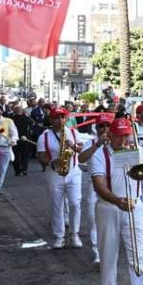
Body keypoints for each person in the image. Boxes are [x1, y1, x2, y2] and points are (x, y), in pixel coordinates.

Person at [87, 118, 143, 285]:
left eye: (126, 135)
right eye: (119, 136)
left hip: (134, 206)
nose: (123, 140)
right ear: (110, 135)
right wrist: (117, 200)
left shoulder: (135, 150)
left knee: (137, 253)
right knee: (108, 255)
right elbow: (99, 185)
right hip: (108, 207)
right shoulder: (100, 155)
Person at [37, 107, 84, 249]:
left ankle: (74, 234)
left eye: (63, 117)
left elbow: (81, 149)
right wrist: (51, 162)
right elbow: (41, 156)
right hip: (54, 174)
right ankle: (59, 236)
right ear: (51, 120)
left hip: (73, 172)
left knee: (75, 203)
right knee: (57, 206)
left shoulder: (73, 132)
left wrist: (73, 145)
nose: (61, 120)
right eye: (57, 118)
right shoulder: (44, 136)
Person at [79, 113, 115, 267]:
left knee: (114, 223)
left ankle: (110, 252)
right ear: (97, 128)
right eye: (101, 126)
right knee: (94, 222)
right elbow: (81, 159)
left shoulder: (118, 143)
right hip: (95, 188)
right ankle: (98, 254)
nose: (105, 129)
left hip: (114, 188)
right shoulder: (90, 143)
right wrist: (97, 145)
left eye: (108, 125)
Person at [11, 104, 35, 176]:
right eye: (17, 109)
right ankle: (19, 170)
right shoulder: (11, 119)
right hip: (17, 138)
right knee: (18, 155)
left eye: (19, 109)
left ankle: (22, 169)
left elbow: (32, 125)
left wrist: (27, 134)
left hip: (24, 138)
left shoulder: (24, 117)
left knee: (23, 155)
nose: (18, 110)